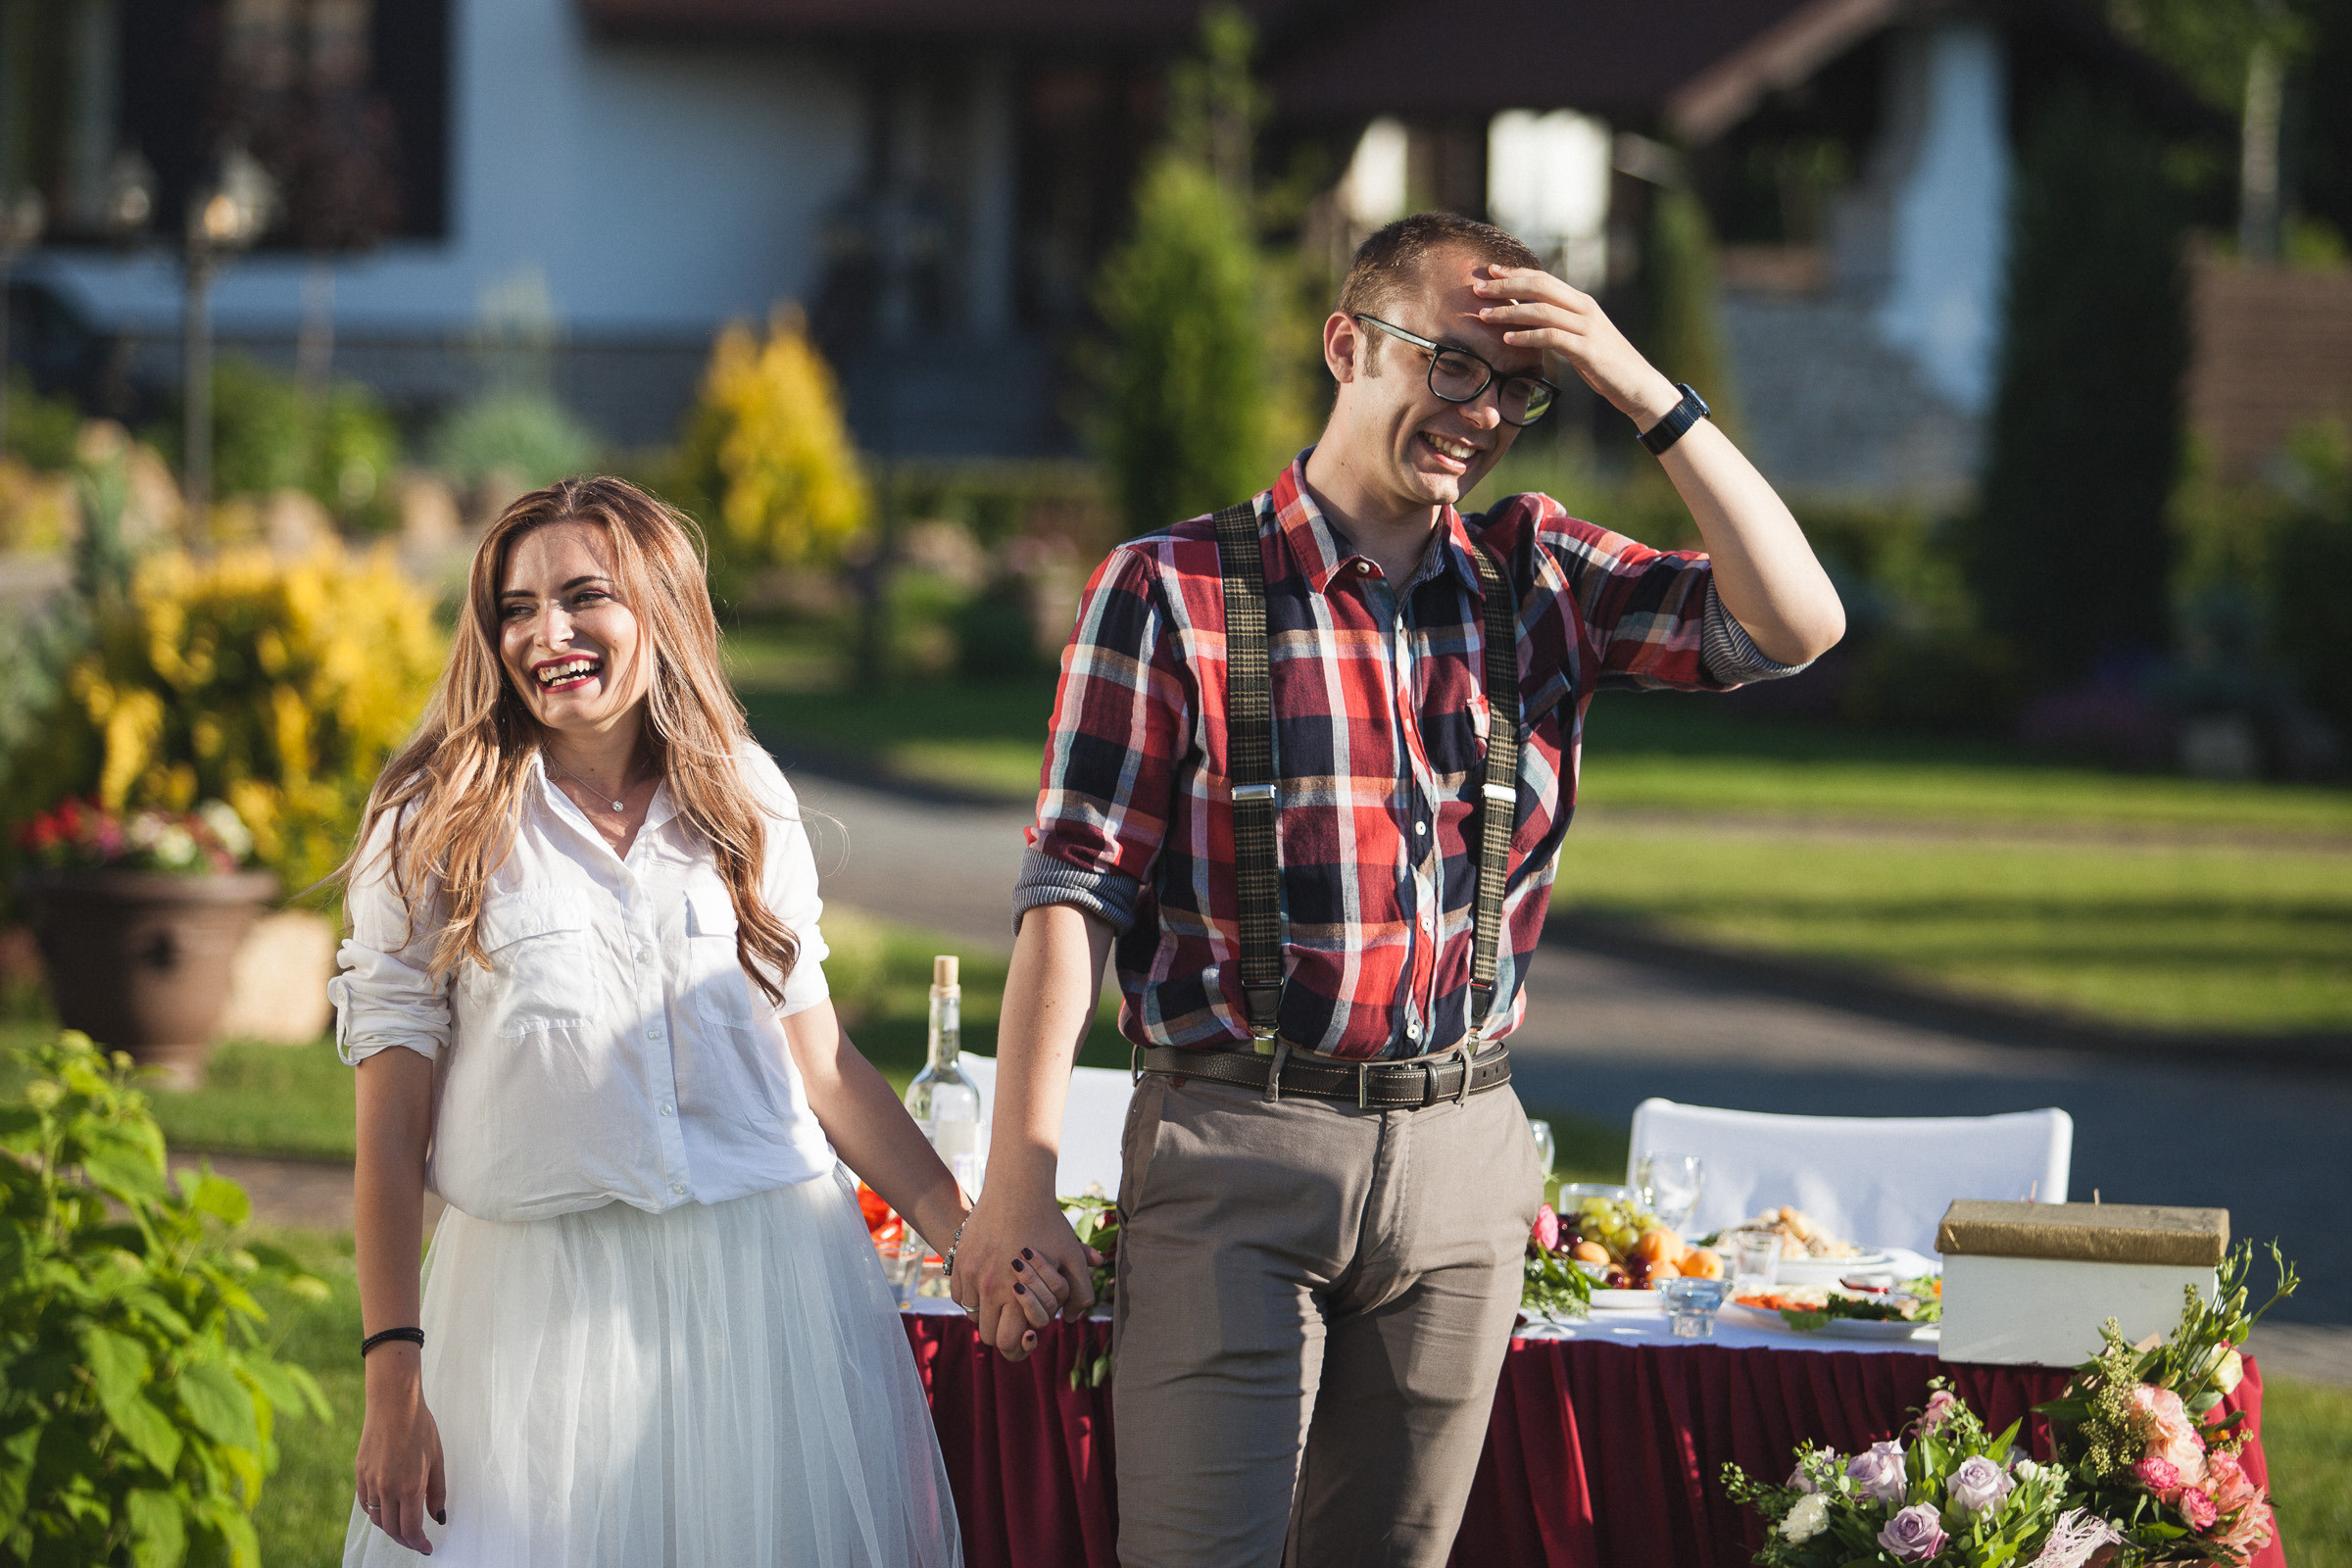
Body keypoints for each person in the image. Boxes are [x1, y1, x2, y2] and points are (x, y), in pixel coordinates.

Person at [954, 213, 1847, 1567]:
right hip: (1234, 1145)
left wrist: (1640, 387)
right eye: (1454, 367)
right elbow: (1069, 897)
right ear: (1347, 345)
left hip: (1462, 1160)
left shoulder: (1537, 577)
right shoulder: (1172, 590)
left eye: (1520, 388)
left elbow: (1798, 622)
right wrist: (1016, 1187)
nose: (1483, 416)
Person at [329, 477, 1059, 1564]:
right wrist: (394, 1378)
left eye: (584, 597)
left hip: (765, 1291)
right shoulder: (433, 821)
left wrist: (973, 1236)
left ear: (661, 609)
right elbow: (389, 1140)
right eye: (516, 608)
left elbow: (822, 1065)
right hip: (538, 1314)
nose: (546, 633)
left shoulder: (744, 798)